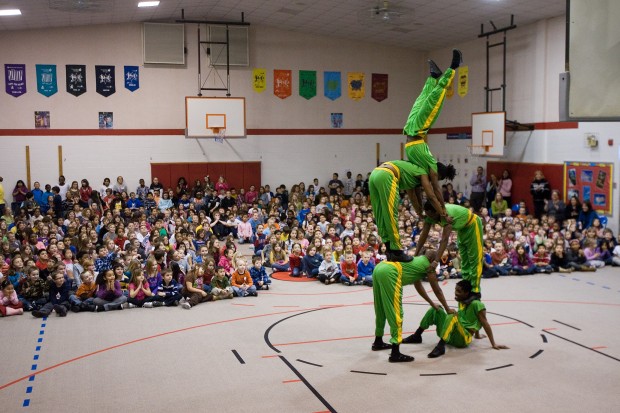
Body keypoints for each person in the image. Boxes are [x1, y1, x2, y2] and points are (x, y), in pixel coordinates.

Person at [403, 49, 462, 215]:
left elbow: (415, 192)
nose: (434, 178)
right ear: (437, 173)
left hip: (410, 129)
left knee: (421, 100)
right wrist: (443, 210)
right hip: (420, 130)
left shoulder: (421, 169)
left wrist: (420, 211)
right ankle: (453, 67)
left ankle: (433, 76)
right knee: (434, 99)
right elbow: (435, 191)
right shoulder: (431, 168)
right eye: (438, 177)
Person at [372, 249, 454, 363]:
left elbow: (418, 286)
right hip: (390, 272)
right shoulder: (428, 266)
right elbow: (437, 290)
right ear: (432, 260)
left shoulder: (418, 260)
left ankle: (378, 341)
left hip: (379, 267)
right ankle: (395, 353)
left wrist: (431, 303)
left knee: (380, 307)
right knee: (396, 312)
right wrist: (447, 308)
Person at [368, 159, 456, 261]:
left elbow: (413, 194)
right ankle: (397, 251)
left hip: (375, 174)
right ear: (435, 172)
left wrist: (419, 212)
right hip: (387, 175)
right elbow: (431, 196)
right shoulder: (423, 173)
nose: (434, 181)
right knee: (390, 215)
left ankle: (389, 250)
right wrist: (443, 214)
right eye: (437, 178)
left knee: (381, 215)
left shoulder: (414, 171)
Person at [402, 280, 509, 358]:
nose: (455, 293)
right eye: (455, 290)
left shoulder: (477, 304)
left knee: (452, 316)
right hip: (451, 334)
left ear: (466, 293)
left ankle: (440, 346)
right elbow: (470, 318)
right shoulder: (461, 301)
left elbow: (484, 323)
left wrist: (493, 343)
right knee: (436, 308)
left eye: (458, 291)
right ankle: (417, 336)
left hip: (463, 339)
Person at [416, 201, 484, 296]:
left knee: (474, 259)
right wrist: (416, 254)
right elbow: (423, 235)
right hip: (462, 229)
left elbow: (444, 241)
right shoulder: (430, 215)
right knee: (465, 261)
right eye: (427, 215)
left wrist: (435, 261)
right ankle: (466, 287)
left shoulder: (447, 217)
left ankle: (475, 291)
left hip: (472, 224)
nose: (429, 218)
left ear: (436, 212)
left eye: (430, 215)